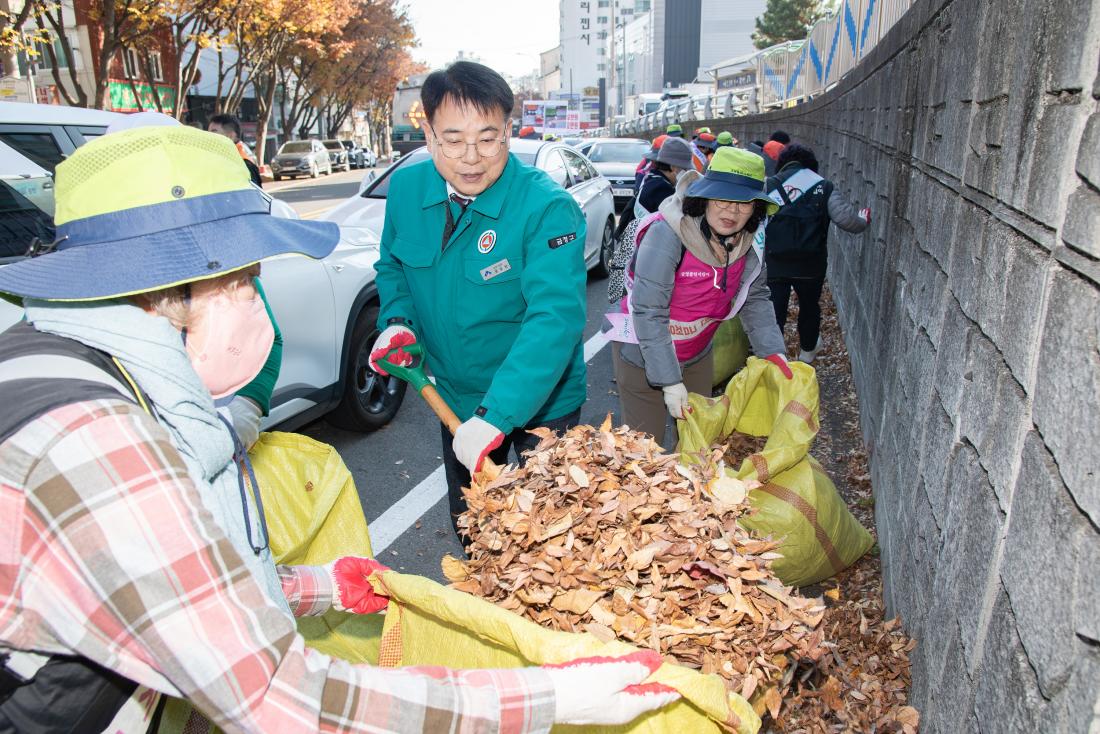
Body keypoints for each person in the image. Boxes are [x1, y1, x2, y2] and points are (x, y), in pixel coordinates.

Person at [0, 125, 678, 733]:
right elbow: (279, 698)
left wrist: (314, 586)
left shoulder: (65, 363)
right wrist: (548, 700)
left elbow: (159, 583)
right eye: (242, 281)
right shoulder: (96, 440)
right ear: (163, 290)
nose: (255, 303)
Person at [371, 62, 589, 542]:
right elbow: (392, 267)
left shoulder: (547, 208)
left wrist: (497, 416)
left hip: (542, 402)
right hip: (455, 396)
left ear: (508, 132)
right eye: (452, 139)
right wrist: (398, 321)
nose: (471, 158)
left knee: (549, 535)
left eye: (488, 138)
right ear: (427, 134)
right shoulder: (406, 191)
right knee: (476, 525)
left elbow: (554, 320)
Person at [606, 147, 793, 447]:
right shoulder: (668, 233)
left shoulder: (749, 243)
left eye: (744, 204)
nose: (731, 212)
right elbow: (648, 309)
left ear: (756, 208)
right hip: (642, 352)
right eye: (722, 199)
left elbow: (755, 297)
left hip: (697, 353)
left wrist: (772, 350)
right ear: (704, 197)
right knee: (645, 452)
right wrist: (669, 382)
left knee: (697, 446)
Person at [764, 142, 871, 363]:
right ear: (811, 166)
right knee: (809, 306)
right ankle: (807, 353)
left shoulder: (769, 186)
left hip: (775, 262)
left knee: (774, 310)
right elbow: (847, 220)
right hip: (810, 264)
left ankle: (774, 358)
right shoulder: (824, 186)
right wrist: (863, 219)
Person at [636, 136, 692, 216]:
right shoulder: (663, 190)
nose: (686, 173)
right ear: (673, 167)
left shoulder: (652, 179)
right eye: (685, 169)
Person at [208, 112, 263, 187]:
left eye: (213, 133)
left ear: (230, 136)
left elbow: (252, 196)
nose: (208, 137)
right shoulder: (226, 159)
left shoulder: (244, 164)